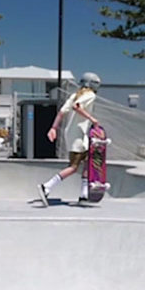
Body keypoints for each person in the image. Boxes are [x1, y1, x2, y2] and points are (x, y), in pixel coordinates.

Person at [37, 72, 101, 206]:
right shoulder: (90, 95)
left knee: (88, 161)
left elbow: (61, 112)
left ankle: (84, 194)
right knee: (73, 167)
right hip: (78, 134)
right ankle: (47, 186)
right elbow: (76, 106)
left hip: (74, 134)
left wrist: (53, 128)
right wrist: (92, 119)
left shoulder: (74, 95)